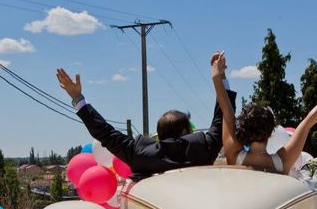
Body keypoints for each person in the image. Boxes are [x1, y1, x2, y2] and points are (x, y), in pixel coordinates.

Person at [56, 64, 237, 179]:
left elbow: (105, 132)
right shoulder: (202, 147)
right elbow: (222, 118)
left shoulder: (141, 154)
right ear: (184, 133)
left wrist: (77, 97)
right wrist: (220, 78)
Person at [211, 52, 317, 174]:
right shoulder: (282, 162)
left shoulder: (234, 155)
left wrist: (218, 76)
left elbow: (227, 110)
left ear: (243, 129)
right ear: (272, 132)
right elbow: (307, 123)